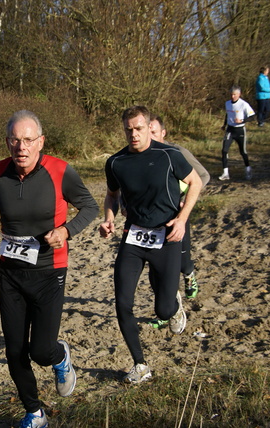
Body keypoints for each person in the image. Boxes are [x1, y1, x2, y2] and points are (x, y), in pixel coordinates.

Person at [0, 110, 98, 427]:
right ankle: (34, 412)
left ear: (40, 142)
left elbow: (90, 206)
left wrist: (66, 231)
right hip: (11, 274)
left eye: (28, 139)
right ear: (7, 142)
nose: (22, 146)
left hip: (49, 270)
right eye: (15, 140)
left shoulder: (60, 171)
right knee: (15, 351)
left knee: (40, 350)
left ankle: (60, 357)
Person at [99, 106, 202, 384]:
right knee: (122, 303)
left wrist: (181, 219)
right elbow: (111, 195)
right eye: (128, 129)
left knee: (163, 310)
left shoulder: (169, 155)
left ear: (148, 127)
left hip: (167, 236)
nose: (134, 134)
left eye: (139, 128)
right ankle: (140, 364)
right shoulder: (116, 162)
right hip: (133, 237)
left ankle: (173, 306)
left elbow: (195, 183)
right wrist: (108, 217)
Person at [148, 115, 209, 301]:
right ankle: (168, 306)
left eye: (154, 133)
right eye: (147, 132)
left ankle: (189, 274)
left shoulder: (177, 152)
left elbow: (203, 176)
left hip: (177, 214)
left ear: (163, 133)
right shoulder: (140, 155)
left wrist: (183, 199)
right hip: (152, 217)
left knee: (182, 261)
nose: (149, 137)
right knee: (156, 265)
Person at [219, 85, 256, 181]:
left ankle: (248, 169)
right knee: (224, 150)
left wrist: (242, 120)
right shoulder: (227, 103)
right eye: (231, 94)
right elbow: (228, 114)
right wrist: (224, 125)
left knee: (243, 152)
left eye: (235, 95)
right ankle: (225, 173)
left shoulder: (244, 104)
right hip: (230, 129)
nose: (232, 97)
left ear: (239, 94)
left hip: (239, 130)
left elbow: (252, 117)